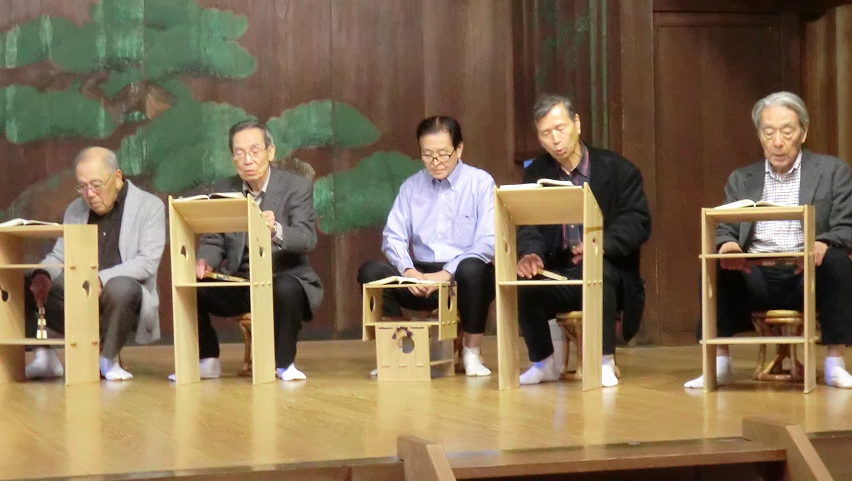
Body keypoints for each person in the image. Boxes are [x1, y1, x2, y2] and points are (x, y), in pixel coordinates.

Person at [684, 91, 852, 390]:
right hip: (755, 274)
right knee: (715, 265)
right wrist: (728, 246)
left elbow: (850, 227)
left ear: (803, 132)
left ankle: (835, 364)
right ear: (760, 136)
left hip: (807, 271)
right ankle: (720, 364)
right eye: (769, 133)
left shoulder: (833, 172)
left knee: (838, 261)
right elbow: (725, 227)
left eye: (787, 131)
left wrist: (823, 242)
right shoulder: (742, 178)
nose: (778, 142)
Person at [516, 94, 651, 387]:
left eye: (560, 128)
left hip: (607, 266)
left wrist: (601, 244)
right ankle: (544, 362)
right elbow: (528, 223)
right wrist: (531, 253)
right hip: (559, 268)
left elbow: (637, 220)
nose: (555, 140)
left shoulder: (618, 169)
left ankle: (604, 361)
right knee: (525, 282)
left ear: (577, 124)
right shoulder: (536, 173)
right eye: (546, 133)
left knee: (598, 272)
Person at [176, 118, 323, 382]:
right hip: (240, 280)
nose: (247, 160)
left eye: (255, 151)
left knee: (286, 288)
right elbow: (214, 239)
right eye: (239, 153)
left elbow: (306, 238)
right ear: (232, 158)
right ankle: (208, 359)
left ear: (271, 152)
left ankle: (284, 364)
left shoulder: (296, 187)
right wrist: (204, 261)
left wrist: (275, 229)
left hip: (282, 277)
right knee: (189, 285)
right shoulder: (224, 189)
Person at [357, 116, 496, 376]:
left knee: (474, 269)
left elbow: (488, 240)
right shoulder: (411, 186)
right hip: (420, 275)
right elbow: (393, 237)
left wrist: (445, 274)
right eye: (428, 155)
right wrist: (409, 272)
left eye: (443, 154)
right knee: (371, 273)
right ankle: (398, 346)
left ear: (459, 149)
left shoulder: (480, 183)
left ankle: (472, 353)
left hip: (462, 275)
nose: (436, 162)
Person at [25, 147, 166, 381]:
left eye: (96, 185)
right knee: (26, 278)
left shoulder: (149, 207)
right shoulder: (75, 210)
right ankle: (44, 358)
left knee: (121, 286)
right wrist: (42, 275)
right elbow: (60, 255)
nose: (89, 194)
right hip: (80, 294)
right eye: (82, 186)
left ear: (117, 178)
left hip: (123, 299)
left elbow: (147, 262)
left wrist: (99, 279)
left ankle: (107, 360)